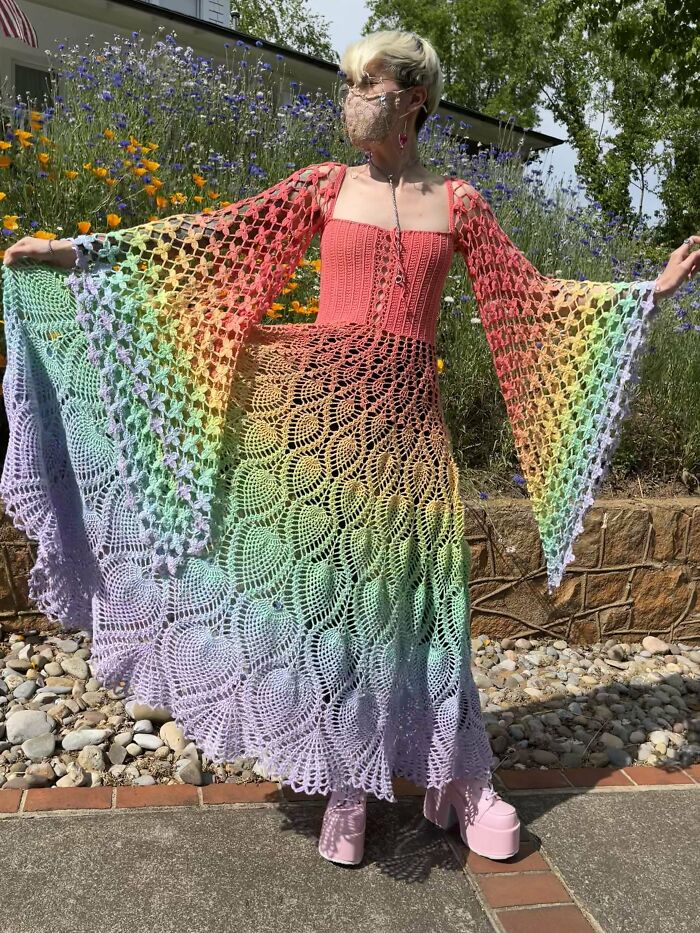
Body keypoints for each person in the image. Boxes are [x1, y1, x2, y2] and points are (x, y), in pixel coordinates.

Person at [2, 29, 697, 868]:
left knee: (422, 598)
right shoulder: (322, 187)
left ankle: (457, 776)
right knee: (331, 597)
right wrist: (74, 254)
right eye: (347, 82)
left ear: (410, 97)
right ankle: (345, 779)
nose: (348, 97)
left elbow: (534, 300)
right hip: (314, 428)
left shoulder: (460, 203)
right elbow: (202, 245)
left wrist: (641, 298)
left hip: (408, 431)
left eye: (363, 82)